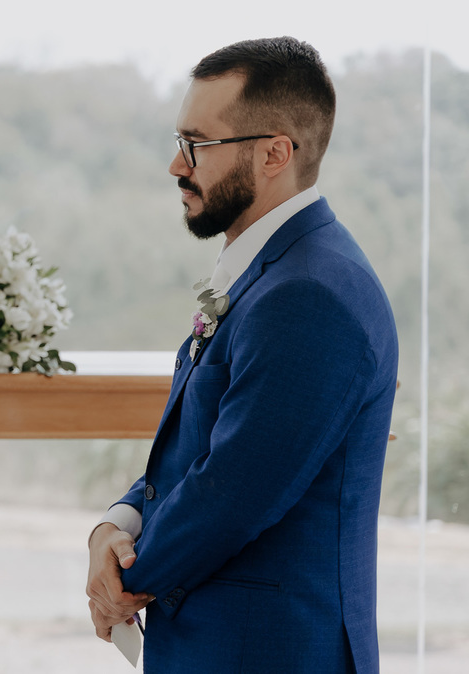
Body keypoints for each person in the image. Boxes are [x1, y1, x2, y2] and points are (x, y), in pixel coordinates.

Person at [85, 37, 398, 673]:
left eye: (197, 144)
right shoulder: (276, 273)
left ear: (275, 153)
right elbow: (200, 448)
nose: (177, 164)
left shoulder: (310, 294)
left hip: (269, 650)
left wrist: (122, 582)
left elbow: (233, 491)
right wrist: (112, 527)